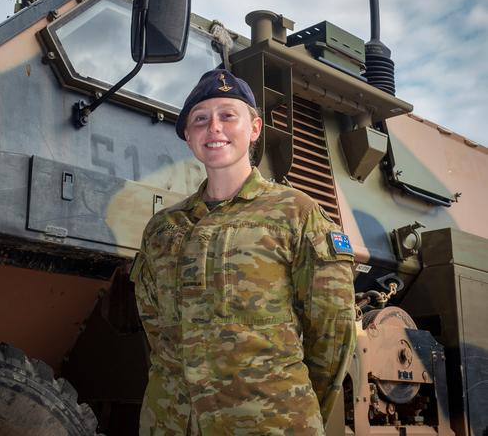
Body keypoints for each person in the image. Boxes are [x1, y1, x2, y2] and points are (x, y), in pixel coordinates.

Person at [130, 69, 356, 435]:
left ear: (254, 129)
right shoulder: (162, 228)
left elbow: (332, 333)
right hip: (171, 422)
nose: (214, 127)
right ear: (188, 137)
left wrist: (288, 407)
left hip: (268, 422)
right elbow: (156, 330)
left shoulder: (296, 213)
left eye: (227, 115)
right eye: (200, 119)